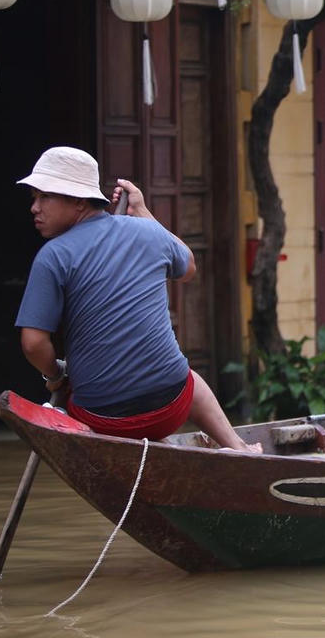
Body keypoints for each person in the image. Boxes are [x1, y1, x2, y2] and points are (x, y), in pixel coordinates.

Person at [15, 146, 258, 452]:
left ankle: (181, 450)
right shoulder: (149, 232)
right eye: (34, 198)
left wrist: (55, 375)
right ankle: (236, 445)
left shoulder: (52, 257)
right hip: (174, 406)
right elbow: (188, 267)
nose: (35, 208)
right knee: (189, 377)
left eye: (44, 197)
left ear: (78, 200)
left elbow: (33, 344)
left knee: (83, 395)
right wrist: (143, 214)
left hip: (101, 419)